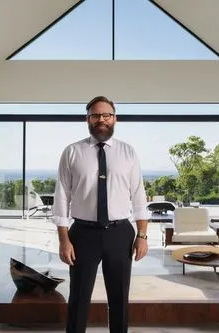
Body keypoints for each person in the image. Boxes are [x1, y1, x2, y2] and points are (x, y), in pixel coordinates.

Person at [52, 96, 149, 333]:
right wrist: (64, 239)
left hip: (120, 233)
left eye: (106, 115)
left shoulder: (128, 152)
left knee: (119, 299)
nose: (101, 120)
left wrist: (142, 235)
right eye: (95, 115)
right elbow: (62, 196)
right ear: (87, 119)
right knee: (78, 297)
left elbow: (138, 195)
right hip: (82, 234)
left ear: (115, 119)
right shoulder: (72, 152)